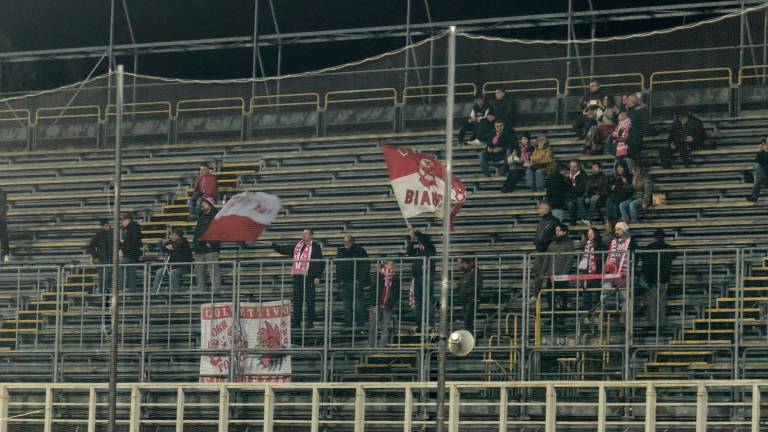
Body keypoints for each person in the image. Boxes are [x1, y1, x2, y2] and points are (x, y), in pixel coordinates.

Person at [272, 229, 325, 329]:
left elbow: (320, 262)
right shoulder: (297, 246)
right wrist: (273, 245)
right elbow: (284, 250)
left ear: (311, 235)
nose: (303, 235)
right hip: (298, 277)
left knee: (310, 301)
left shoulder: (316, 247)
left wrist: (318, 276)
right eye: (303, 233)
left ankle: (310, 322)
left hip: (309, 277)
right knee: (297, 301)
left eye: (306, 234)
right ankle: (296, 322)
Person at [640, 229, 677, 330]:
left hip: (652, 278)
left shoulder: (649, 249)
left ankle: (651, 323)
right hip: (664, 278)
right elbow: (675, 252)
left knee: (651, 302)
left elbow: (645, 263)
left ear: (654, 237)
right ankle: (661, 323)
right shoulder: (668, 248)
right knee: (661, 302)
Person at [603, 221, 637, 320]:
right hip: (611, 272)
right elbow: (609, 255)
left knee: (625, 296)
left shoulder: (631, 241)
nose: (616, 232)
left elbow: (635, 256)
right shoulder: (612, 241)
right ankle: (602, 311)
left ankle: (624, 315)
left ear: (624, 230)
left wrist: (631, 269)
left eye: (619, 229)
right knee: (604, 290)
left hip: (624, 273)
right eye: (615, 229)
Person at [336, 235, 370, 328]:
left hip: (356, 282)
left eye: (348, 241)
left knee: (358, 306)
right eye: (344, 241)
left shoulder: (360, 251)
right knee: (346, 305)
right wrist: (340, 280)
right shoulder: (341, 252)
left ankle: (360, 325)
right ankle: (349, 324)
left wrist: (359, 279)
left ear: (353, 242)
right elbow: (338, 266)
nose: (346, 243)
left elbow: (365, 265)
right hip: (345, 282)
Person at [406, 225, 436, 330]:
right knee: (418, 303)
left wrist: (417, 235)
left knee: (428, 301)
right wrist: (411, 238)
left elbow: (428, 248)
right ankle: (420, 324)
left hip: (427, 276)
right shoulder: (417, 248)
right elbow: (409, 252)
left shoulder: (430, 246)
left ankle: (430, 324)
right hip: (417, 276)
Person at [534, 224, 575, 297]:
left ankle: (563, 308)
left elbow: (569, 261)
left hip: (562, 275)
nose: (556, 232)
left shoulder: (569, 244)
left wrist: (563, 274)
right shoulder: (552, 244)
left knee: (562, 295)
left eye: (559, 231)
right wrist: (542, 273)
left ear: (564, 232)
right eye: (556, 231)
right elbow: (546, 260)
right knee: (550, 295)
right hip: (552, 275)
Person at [368, 260, 401, 348]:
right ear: (385, 265)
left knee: (385, 328)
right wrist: (374, 304)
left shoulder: (395, 278)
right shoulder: (378, 276)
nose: (393, 266)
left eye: (394, 264)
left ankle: (381, 349)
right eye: (391, 264)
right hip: (376, 305)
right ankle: (370, 347)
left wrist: (391, 305)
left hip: (387, 307)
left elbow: (396, 294)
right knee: (372, 328)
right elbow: (373, 291)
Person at [532, 202, 561, 297]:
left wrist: (546, 242)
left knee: (546, 276)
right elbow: (538, 234)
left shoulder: (554, 221)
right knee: (537, 273)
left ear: (546, 208)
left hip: (548, 252)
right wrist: (536, 240)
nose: (539, 210)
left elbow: (557, 236)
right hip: (539, 251)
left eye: (540, 208)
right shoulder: (541, 221)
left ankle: (547, 297)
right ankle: (536, 296)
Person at [193, 197, 222, 292]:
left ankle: (216, 290)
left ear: (210, 205)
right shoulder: (201, 217)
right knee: (199, 272)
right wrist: (195, 246)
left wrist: (211, 242)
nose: (202, 205)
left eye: (204, 203)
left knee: (213, 271)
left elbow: (218, 232)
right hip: (199, 250)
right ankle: (201, 290)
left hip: (211, 249)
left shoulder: (215, 217)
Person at [151, 228, 193, 292]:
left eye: (175, 235)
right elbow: (164, 249)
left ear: (179, 236)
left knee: (172, 273)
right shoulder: (172, 242)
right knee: (159, 272)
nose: (173, 237)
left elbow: (172, 247)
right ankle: (154, 292)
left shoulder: (183, 241)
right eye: (172, 235)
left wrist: (165, 244)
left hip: (183, 266)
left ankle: (176, 293)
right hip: (171, 266)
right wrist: (162, 244)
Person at [578, 227, 605, 314]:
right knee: (586, 297)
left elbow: (602, 261)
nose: (589, 235)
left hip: (597, 275)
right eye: (588, 233)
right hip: (586, 275)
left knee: (595, 296)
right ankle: (587, 315)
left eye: (592, 233)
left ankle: (595, 315)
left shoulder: (601, 246)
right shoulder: (584, 247)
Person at [455, 258, 482, 332]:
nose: (459, 265)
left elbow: (478, 286)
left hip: (471, 301)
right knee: (467, 322)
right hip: (466, 301)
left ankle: (470, 341)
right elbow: (466, 286)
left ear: (466, 263)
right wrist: (459, 287)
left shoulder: (475, 272)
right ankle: (469, 340)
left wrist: (463, 290)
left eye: (460, 263)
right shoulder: (466, 273)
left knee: (468, 321)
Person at [87, 219, 113, 292]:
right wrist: (95, 257)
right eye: (106, 225)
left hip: (110, 259)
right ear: (102, 226)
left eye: (108, 225)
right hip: (101, 259)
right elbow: (91, 246)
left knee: (107, 278)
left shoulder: (112, 233)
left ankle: (106, 294)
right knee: (102, 278)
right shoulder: (99, 234)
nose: (108, 227)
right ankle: (102, 295)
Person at [119, 212, 142, 292]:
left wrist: (123, 251)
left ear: (127, 219)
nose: (121, 222)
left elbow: (133, 243)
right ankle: (133, 291)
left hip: (131, 254)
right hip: (130, 254)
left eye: (122, 220)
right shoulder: (129, 228)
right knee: (130, 273)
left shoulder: (133, 227)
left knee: (120, 267)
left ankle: (119, 289)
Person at [624, 93, 649, 164]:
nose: (627, 101)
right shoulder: (627, 111)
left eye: (628, 100)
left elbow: (643, 124)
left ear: (633, 101)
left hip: (636, 137)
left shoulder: (640, 111)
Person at [566, 160, 587, 225]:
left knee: (577, 201)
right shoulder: (566, 177)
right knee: (570, 204)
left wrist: (570, 185)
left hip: (580, 197)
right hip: (569, 198)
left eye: (574, 167)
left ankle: (583, 221)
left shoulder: (583, 176)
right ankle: (573, 225)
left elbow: (579, 191)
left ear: (578, 167)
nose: (571, 169)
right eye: (571, 167)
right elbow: (564, 191)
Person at [747, 136, 768, 202]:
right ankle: (754, 197)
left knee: (758, 179)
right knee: (758, 166)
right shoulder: (762, 153)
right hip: (764, 177)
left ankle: (754, 197)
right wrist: (761, 152)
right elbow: (758, 161)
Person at [0, 187, 8, 262]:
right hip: (2, 218)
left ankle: (5, 254)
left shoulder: (3, 194)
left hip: (1, 219)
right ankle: (5, 254)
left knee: (4, 237)